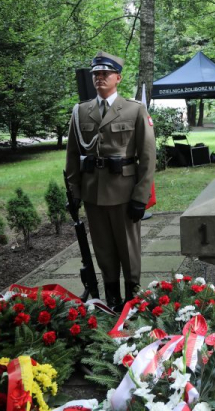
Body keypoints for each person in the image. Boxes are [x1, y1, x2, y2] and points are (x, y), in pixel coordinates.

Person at [65, 51, 156, 309]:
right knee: (103, 248)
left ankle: (133, 297)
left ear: (118, 77)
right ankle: (112, 296)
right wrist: (74, 192)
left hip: (124, 192)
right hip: (93, 192)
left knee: (128, 248)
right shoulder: (81, 111)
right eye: (96, 74)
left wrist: (141, 196)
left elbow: (148, 158)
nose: (99, 77)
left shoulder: (135, 109)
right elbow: (73, 155)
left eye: (105, 73)